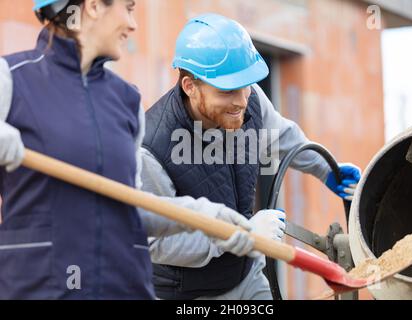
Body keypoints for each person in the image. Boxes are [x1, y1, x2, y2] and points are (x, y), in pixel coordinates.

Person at [0, 1, 258, 299]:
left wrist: (207, 217)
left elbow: (130, 207)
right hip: (41, 287)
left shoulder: (125, 100)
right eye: (128, 8)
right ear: (94, 6)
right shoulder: (11, 78)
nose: (133, 25)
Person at [140, 13, 361, 300]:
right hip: (190, 294)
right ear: (190, 87)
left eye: (246, 85)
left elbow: (281, 135)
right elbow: (159, 243)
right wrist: (241, 235)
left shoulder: (249, 98)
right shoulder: (152, 149)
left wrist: (326, 169)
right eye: (227, 91)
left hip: (248, 275)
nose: (242, 100)